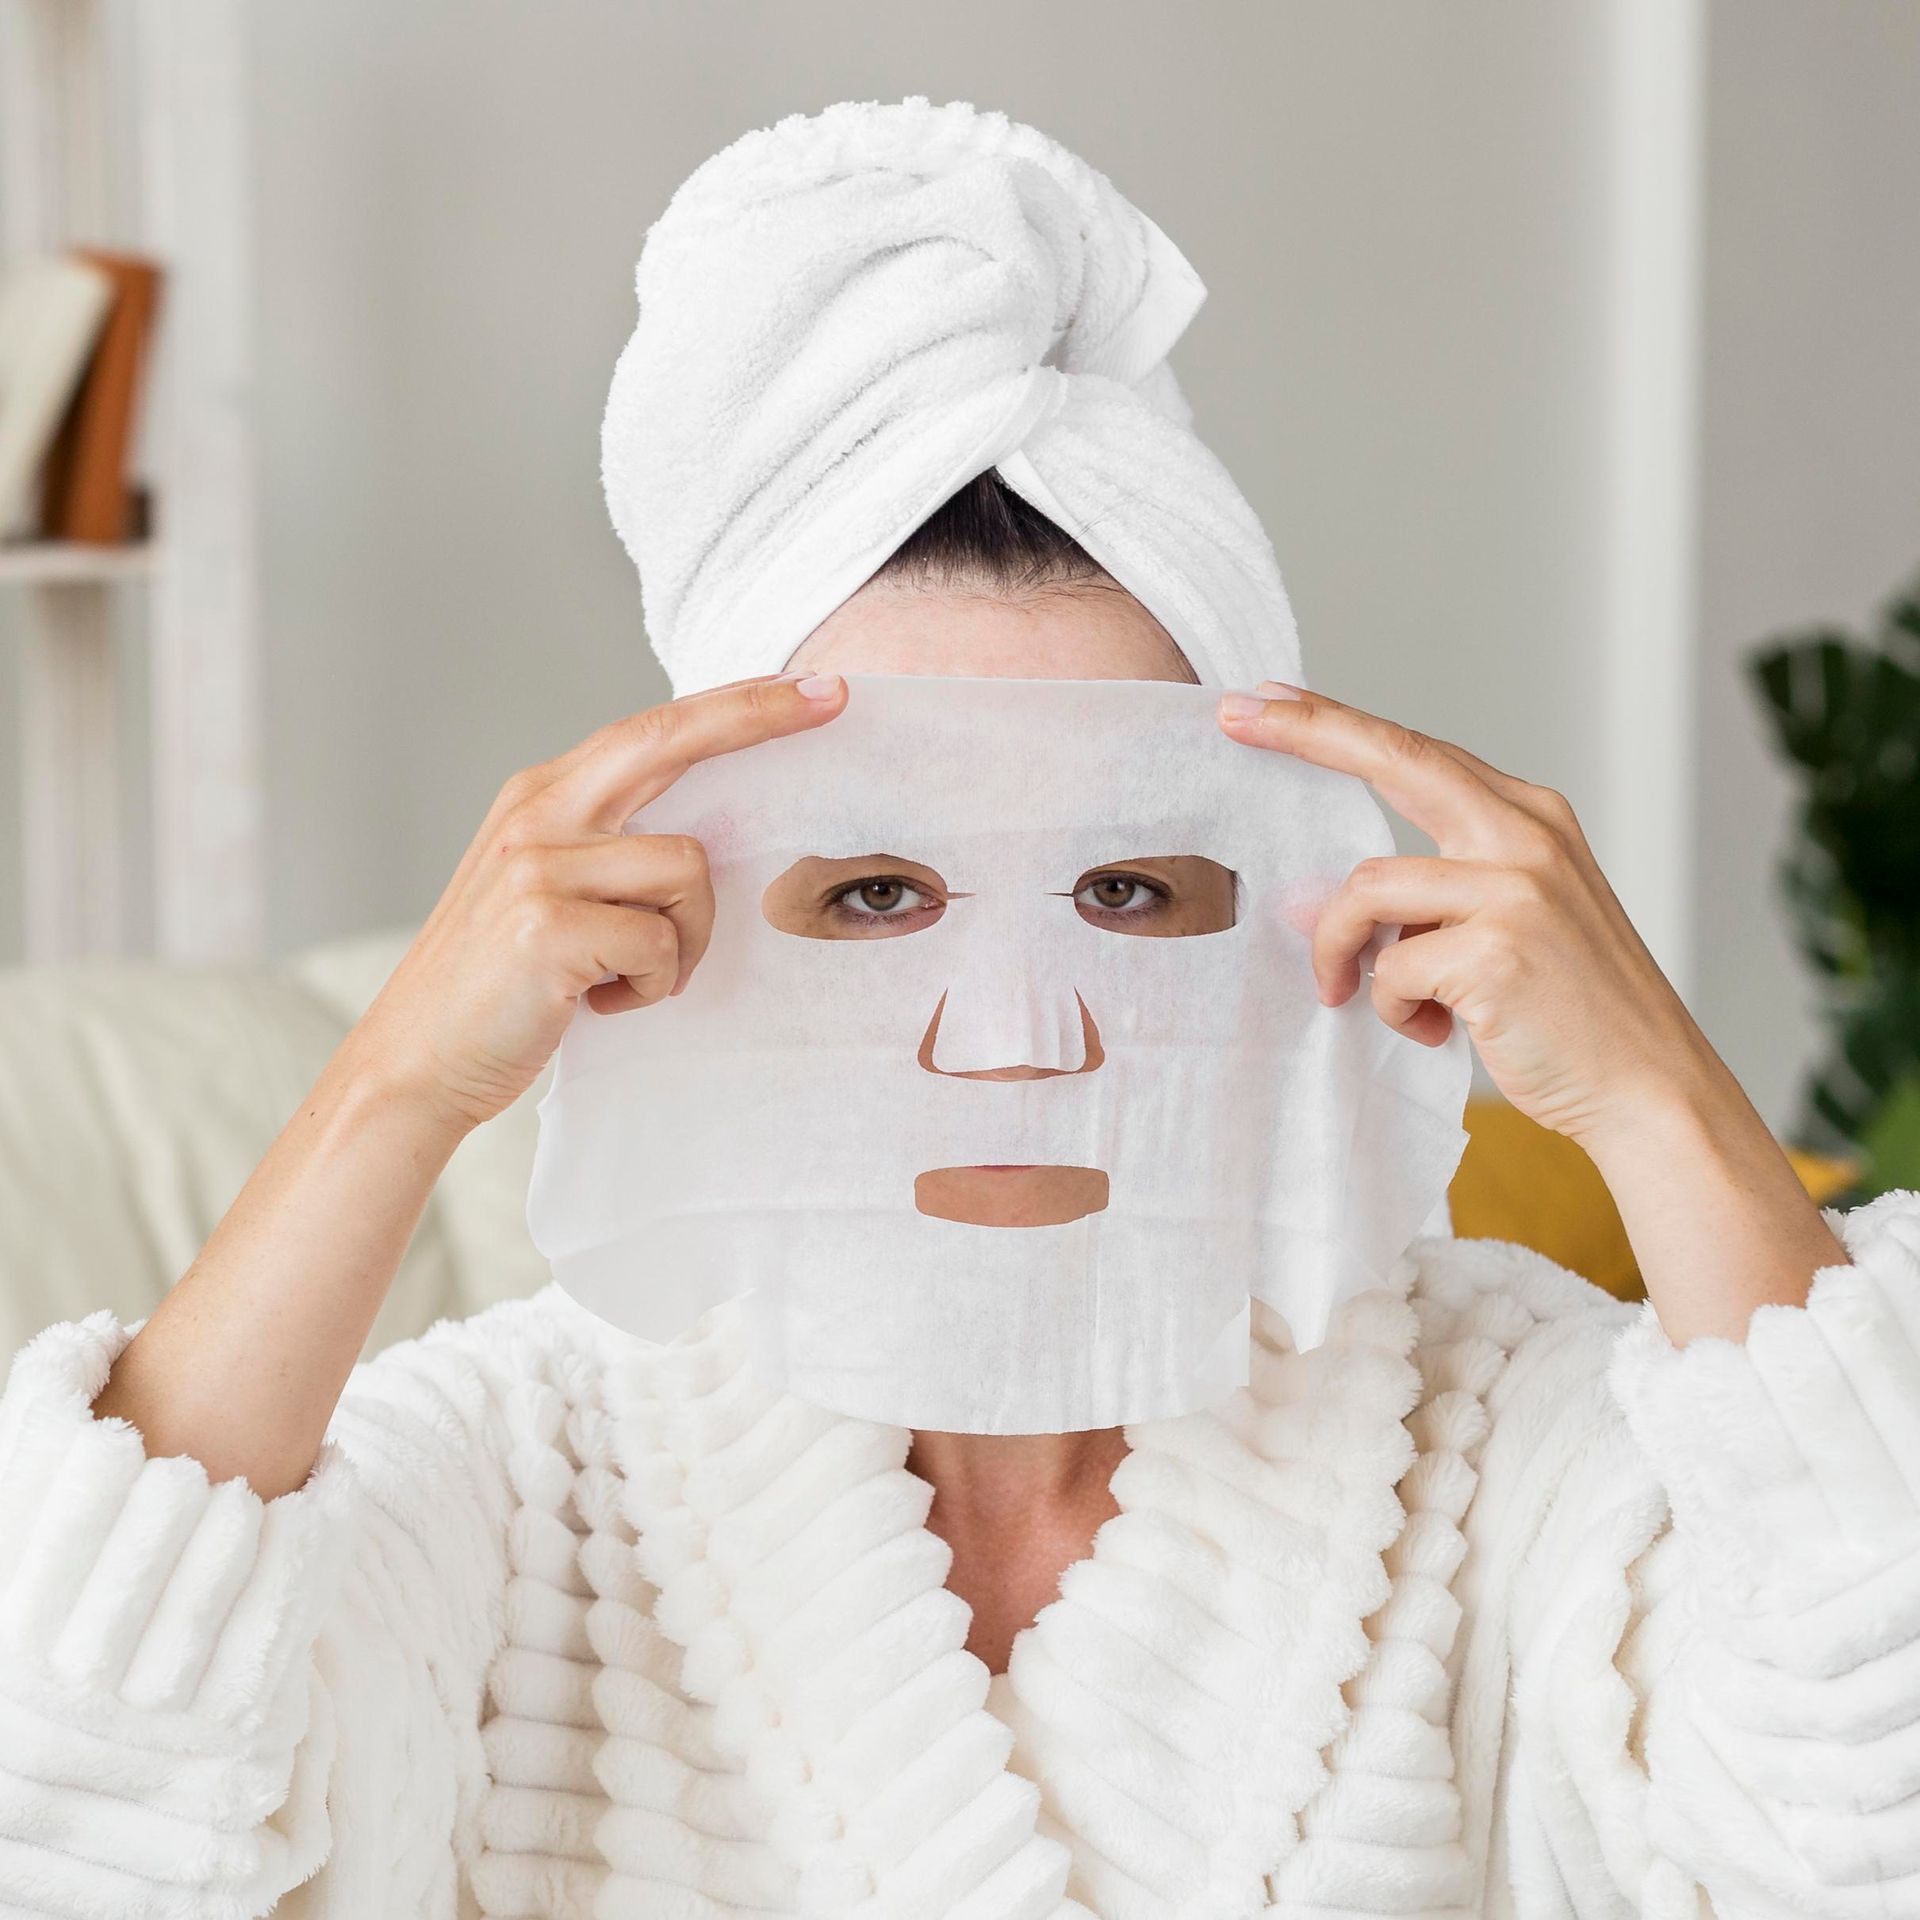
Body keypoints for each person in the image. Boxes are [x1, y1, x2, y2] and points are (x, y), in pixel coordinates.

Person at [6, 103, 1920, 1919]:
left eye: (1126, 891)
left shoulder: (1496, 1431)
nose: (1015, 1033)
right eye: (874, 895)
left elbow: (1860, 1821)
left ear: (1292, 914)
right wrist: (396, 1087)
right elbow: (86, 1817)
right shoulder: (538, 1461)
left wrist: (1662, 1100)